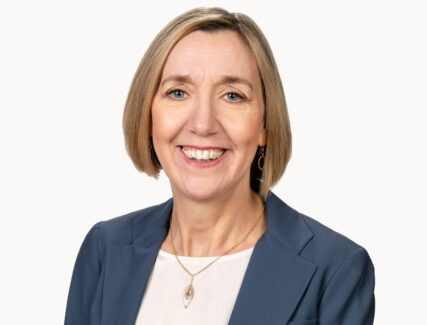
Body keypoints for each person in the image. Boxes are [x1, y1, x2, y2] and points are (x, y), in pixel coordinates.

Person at [64, 7, 375, 325]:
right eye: (178, 92)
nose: (202, 124)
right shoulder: (104, 248)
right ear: (148, 117)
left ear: (264, 126)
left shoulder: (335, 269)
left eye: (232, 96)